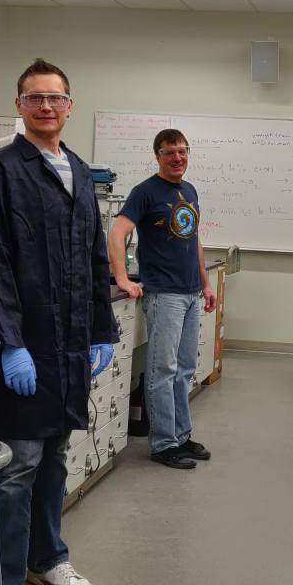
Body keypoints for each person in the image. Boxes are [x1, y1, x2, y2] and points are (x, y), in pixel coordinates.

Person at [0, 59, 117, 585]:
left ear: (70, 105)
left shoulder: (78, 171)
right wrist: (11, 344)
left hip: (72, 347)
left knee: (54, 459)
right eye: (34, 98)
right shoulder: (0, 173)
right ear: (19, 105)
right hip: (28, 348)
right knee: (17, 470)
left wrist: (102, 328)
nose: (46, 107)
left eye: (55, 98)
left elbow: (96, 260)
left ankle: (48, 558)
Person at [108, 130, 217, 469]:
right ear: (158, 155)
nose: (177, 158)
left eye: (183, 151)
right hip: (164, 294)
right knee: (162, 370)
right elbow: (117, 233)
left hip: (190, 293)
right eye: (170, 152)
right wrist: (123, 278)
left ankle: (182, 435)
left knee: (185, 369)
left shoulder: (190, 190)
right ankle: (163, 443)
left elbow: (195, 240)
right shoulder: (144, 192)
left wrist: (206, 283)